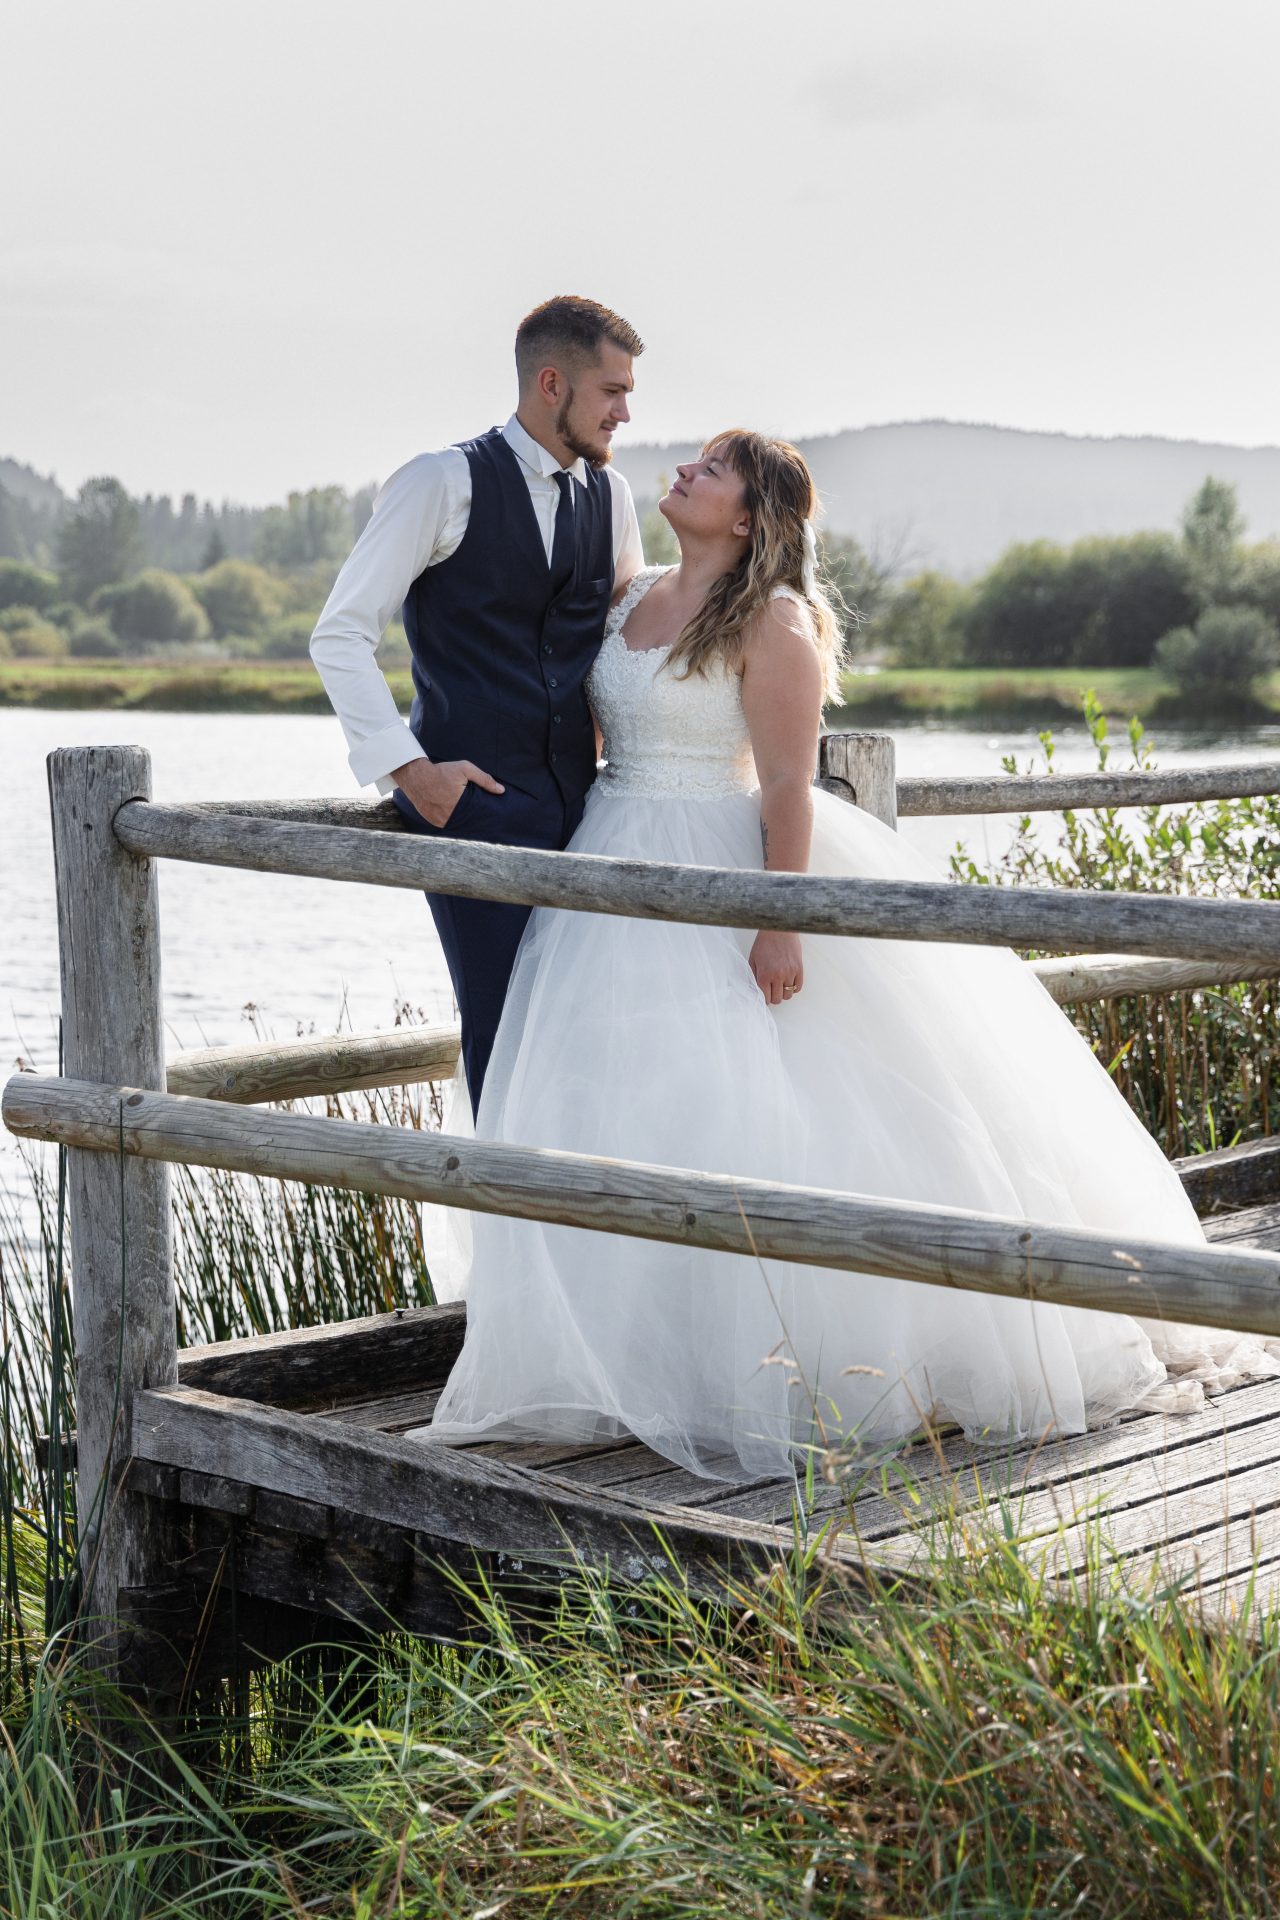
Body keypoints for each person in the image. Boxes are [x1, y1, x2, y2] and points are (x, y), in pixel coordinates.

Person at [410, 430, 1279, 1480]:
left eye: (711, 471)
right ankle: (628, 1363)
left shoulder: (771, 620)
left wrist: (780, 921)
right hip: (608, 863)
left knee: (750, 1110)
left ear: (746, 515)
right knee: (622, 1103)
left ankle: (793, 1363)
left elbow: (784, 784)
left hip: (720, 864)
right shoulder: (626, 598)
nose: (682, 472)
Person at [310, 296, 645, 1111]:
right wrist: (408, 771)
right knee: (505, 1045)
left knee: (592, 1045)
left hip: (591, 820)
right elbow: (341, 634)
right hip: (476, 815)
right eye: (612, 391)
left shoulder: (614, 498)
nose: (625, 413)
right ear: (551, 382)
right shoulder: (441, 481)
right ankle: (508, 1229)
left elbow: (624, 639)